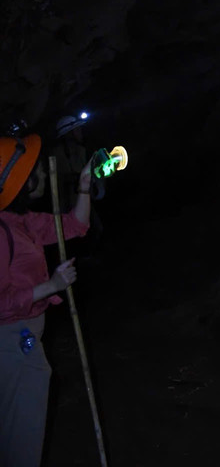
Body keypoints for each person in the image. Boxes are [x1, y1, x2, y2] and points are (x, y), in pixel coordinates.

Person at [0, 133, 91, 467]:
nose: (38, 173)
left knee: (17, 428)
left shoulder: (23, 222)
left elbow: (75, 225)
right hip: (10, 346)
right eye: (31, 171)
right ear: (17, 182)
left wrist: (83, 187)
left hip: (24, 340)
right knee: (21, 435)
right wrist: (50, 285)